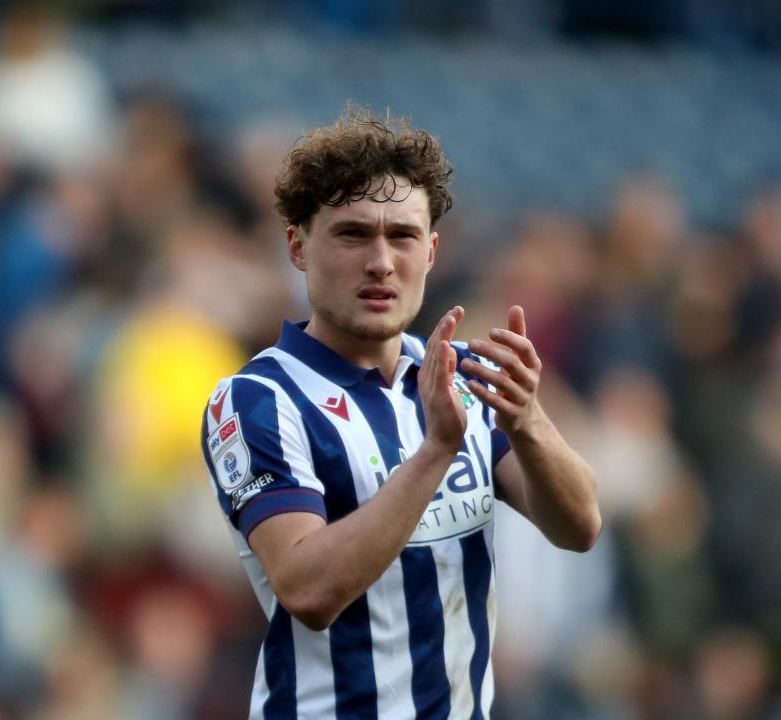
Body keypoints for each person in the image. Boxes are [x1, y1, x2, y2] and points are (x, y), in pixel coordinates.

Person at [200, 108, 601, 719]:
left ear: (432, 251)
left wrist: (528, 421)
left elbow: (579, 526)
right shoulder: (259, 398)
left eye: (403, 236)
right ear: (298, 246)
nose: (381, 261)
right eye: (353, 234)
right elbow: (308, 590)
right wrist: (435, 452)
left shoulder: (463, 375)